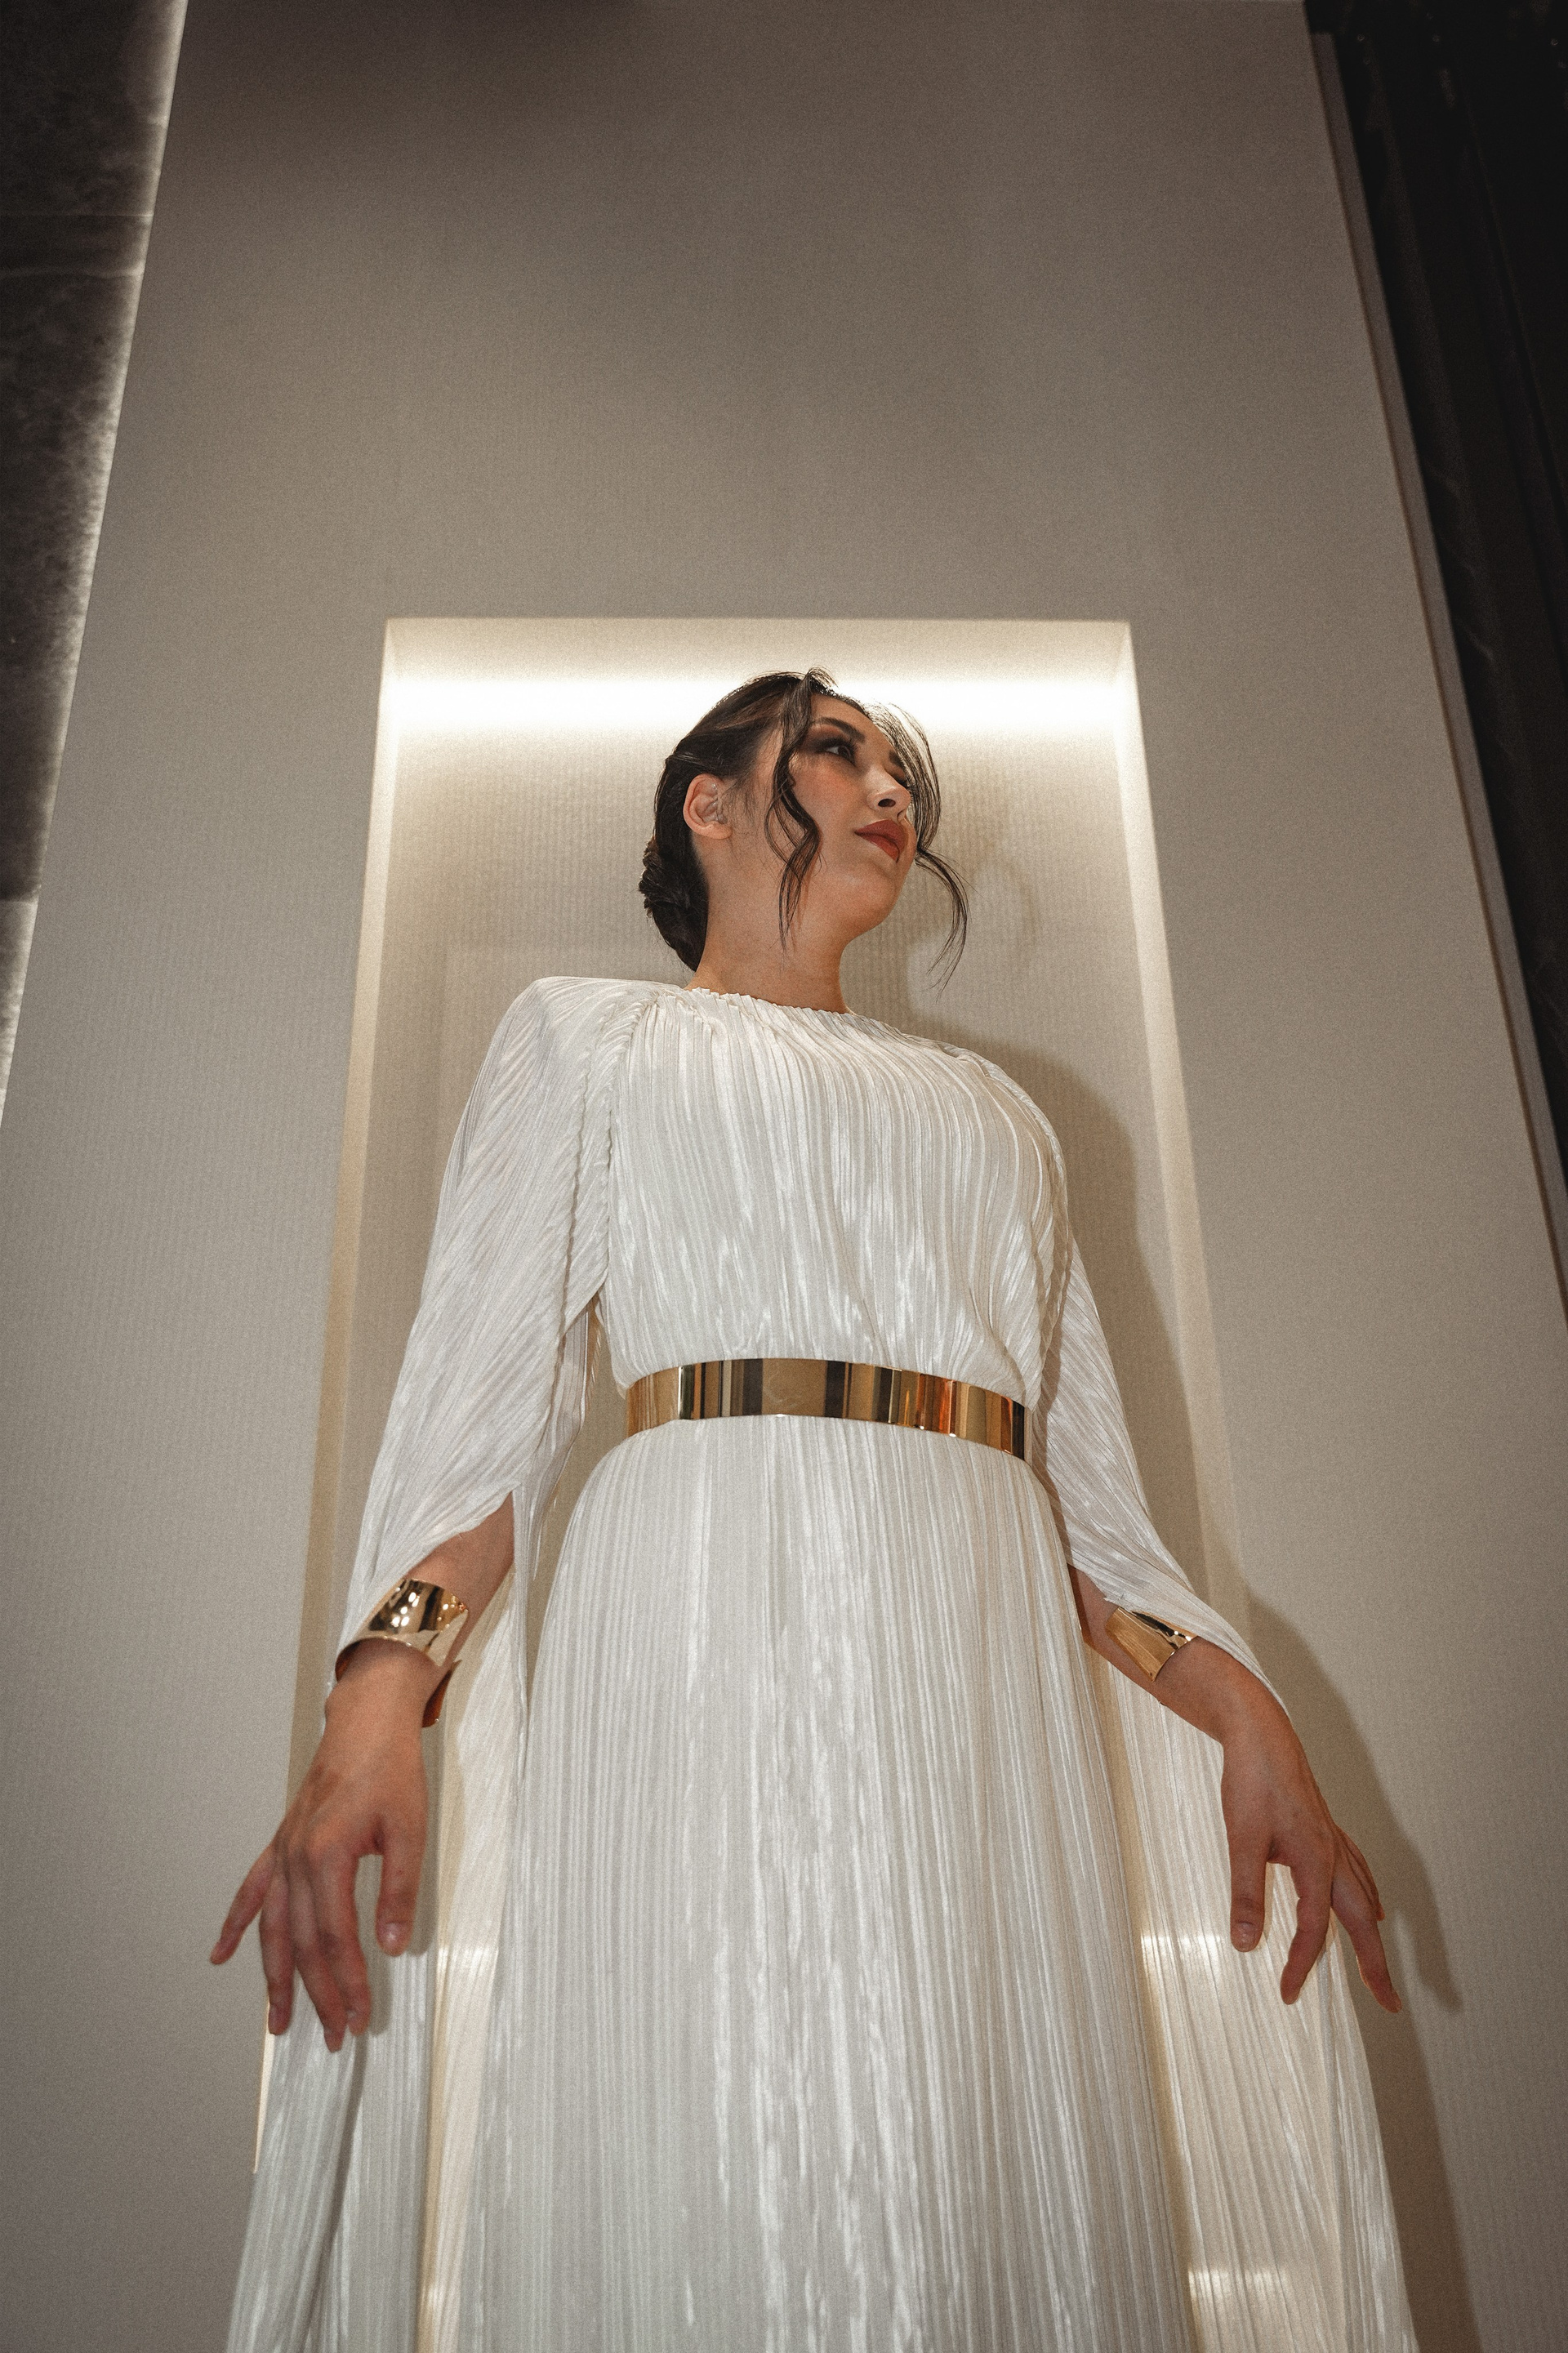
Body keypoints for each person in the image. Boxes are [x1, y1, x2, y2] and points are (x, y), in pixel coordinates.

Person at [214, 671, 1416, 2351]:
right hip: (697, 1632)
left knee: (968, 2149)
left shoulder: (1006, 1122)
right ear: (705, 805)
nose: (887, 786)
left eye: (899, 766)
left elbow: (1093, 1529)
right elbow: (475, 1442)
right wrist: (372, 1711)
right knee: (720, 2133)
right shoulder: (585, 1038)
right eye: (834, 751)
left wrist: (1250, 1718)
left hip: (969, 1679)